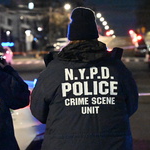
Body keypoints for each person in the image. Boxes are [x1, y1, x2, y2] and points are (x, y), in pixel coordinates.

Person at [30, 7, 138, 150]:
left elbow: (39, 112)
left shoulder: (54, 71)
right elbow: (131, 106)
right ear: (95, 35)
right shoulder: (117, 69)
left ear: (71, 37)